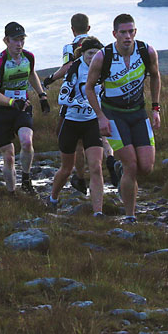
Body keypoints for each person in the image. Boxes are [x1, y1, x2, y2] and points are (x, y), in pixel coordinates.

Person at [85, 13, 162, 223]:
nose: (127, 36)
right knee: (132, 165)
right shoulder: (103, 56)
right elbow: (89, 88)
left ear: (135, 32)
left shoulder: (146, 51)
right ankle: (130, 216)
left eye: (131, 31)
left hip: (138, 113)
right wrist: (100, 117)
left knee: (146, 167)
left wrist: (155, 109)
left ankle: (118, 169)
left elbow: (155, 75)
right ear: (115, 34)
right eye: (123, 32)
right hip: (113, 115)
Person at [45, 13, 120, 193]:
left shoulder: (69, 47)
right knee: (101, 133)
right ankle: (110, 158)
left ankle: (80, 177)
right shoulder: (97, 46)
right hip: (99, 99)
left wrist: (51, 78)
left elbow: (68, 68)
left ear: (72, 29)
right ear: (88, 28)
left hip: (76, 102)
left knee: (76, 140)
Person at [0, 22, 48, 193]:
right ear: (6, 40)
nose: (19, 44)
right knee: (9, 156)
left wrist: (42, 95)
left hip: (22, 107)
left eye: (22, 40)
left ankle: (26, 179)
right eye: (15, 40)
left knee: (27, 142)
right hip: (1, 110)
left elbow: (31, 73)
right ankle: (11, 193)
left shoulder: (29, 57)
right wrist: (12, 102)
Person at [48, 36, 106, 215]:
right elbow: (62, 97)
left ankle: (98, 212)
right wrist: (82, 103)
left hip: (91, 123)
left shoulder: (104, 68)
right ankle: (52, 199)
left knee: (96, 166)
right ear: (83, 53)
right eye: (89, 54)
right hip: (71, 123)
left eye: (96, 54)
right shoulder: (75, 68)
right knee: (66, 169)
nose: (93, 57)